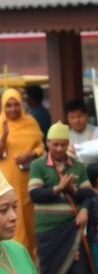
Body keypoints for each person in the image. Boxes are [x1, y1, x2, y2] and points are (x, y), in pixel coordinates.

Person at [28, 122, 98, 274]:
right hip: (49, 233)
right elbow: (35, 194)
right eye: (55, 144)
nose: (59, 148)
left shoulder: (77, 166)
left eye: (63, 144)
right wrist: (59, 188)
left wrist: (83, 205)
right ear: (48, 144)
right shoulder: (38, 166)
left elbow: (89, 195)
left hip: (73, 232)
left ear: (69, 144)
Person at [0, 89, 45, 257]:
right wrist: (4, 136)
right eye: (8, 105)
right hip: (7, 181)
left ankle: (30, 259)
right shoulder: (0, 123)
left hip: (28, 179)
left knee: (28, 219)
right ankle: (14, 258)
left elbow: (41, 146)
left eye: (16, 105)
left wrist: (30, 154)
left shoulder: (30, 122)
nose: (12, 109)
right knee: (12, 218)